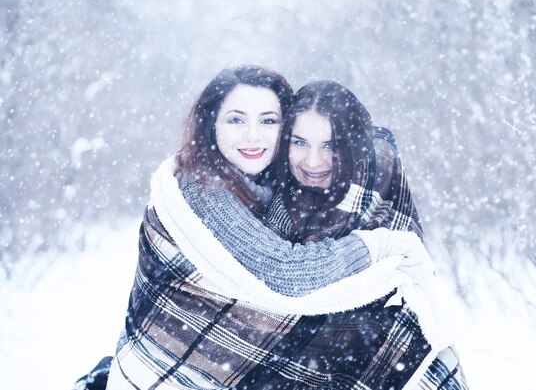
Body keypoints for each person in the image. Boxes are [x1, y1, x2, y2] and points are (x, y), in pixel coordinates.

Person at [75, 65, 421, 390]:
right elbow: (286, 271)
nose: (253, 136)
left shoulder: (266, 190)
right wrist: (376, 247)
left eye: (268, 121)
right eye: (236, 120)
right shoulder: (204, 187)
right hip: (174, 372)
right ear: (211, 125)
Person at [258, 80, 469, 389]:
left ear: (353, 146)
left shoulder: (378, 182)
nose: (313, 161)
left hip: (390, 360)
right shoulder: (266, 203)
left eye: (330, 145)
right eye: (300, 142)